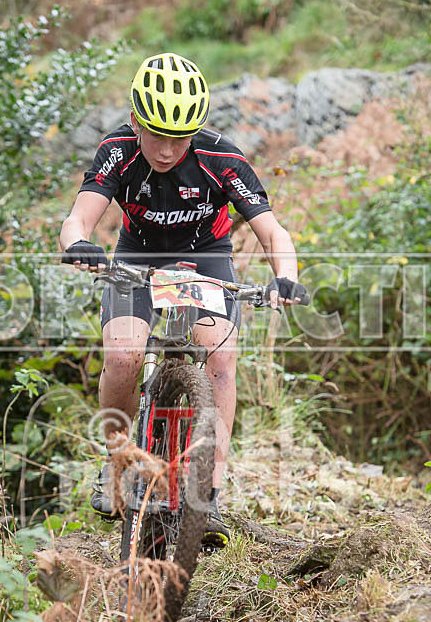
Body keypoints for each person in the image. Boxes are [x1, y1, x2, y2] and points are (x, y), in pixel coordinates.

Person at [59, 52, 307, 547]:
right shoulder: (118, 150)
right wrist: (79, 245)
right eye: (156, 134)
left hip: (205, 259)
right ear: (135, 121)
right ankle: (117, 459)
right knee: (125, 356)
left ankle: (209, 493)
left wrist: (286, 276)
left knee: (221, 360)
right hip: (136, 259)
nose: (169, 149)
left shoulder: (221, 157)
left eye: (180, 137)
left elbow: (271, 230)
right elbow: (78, 219)